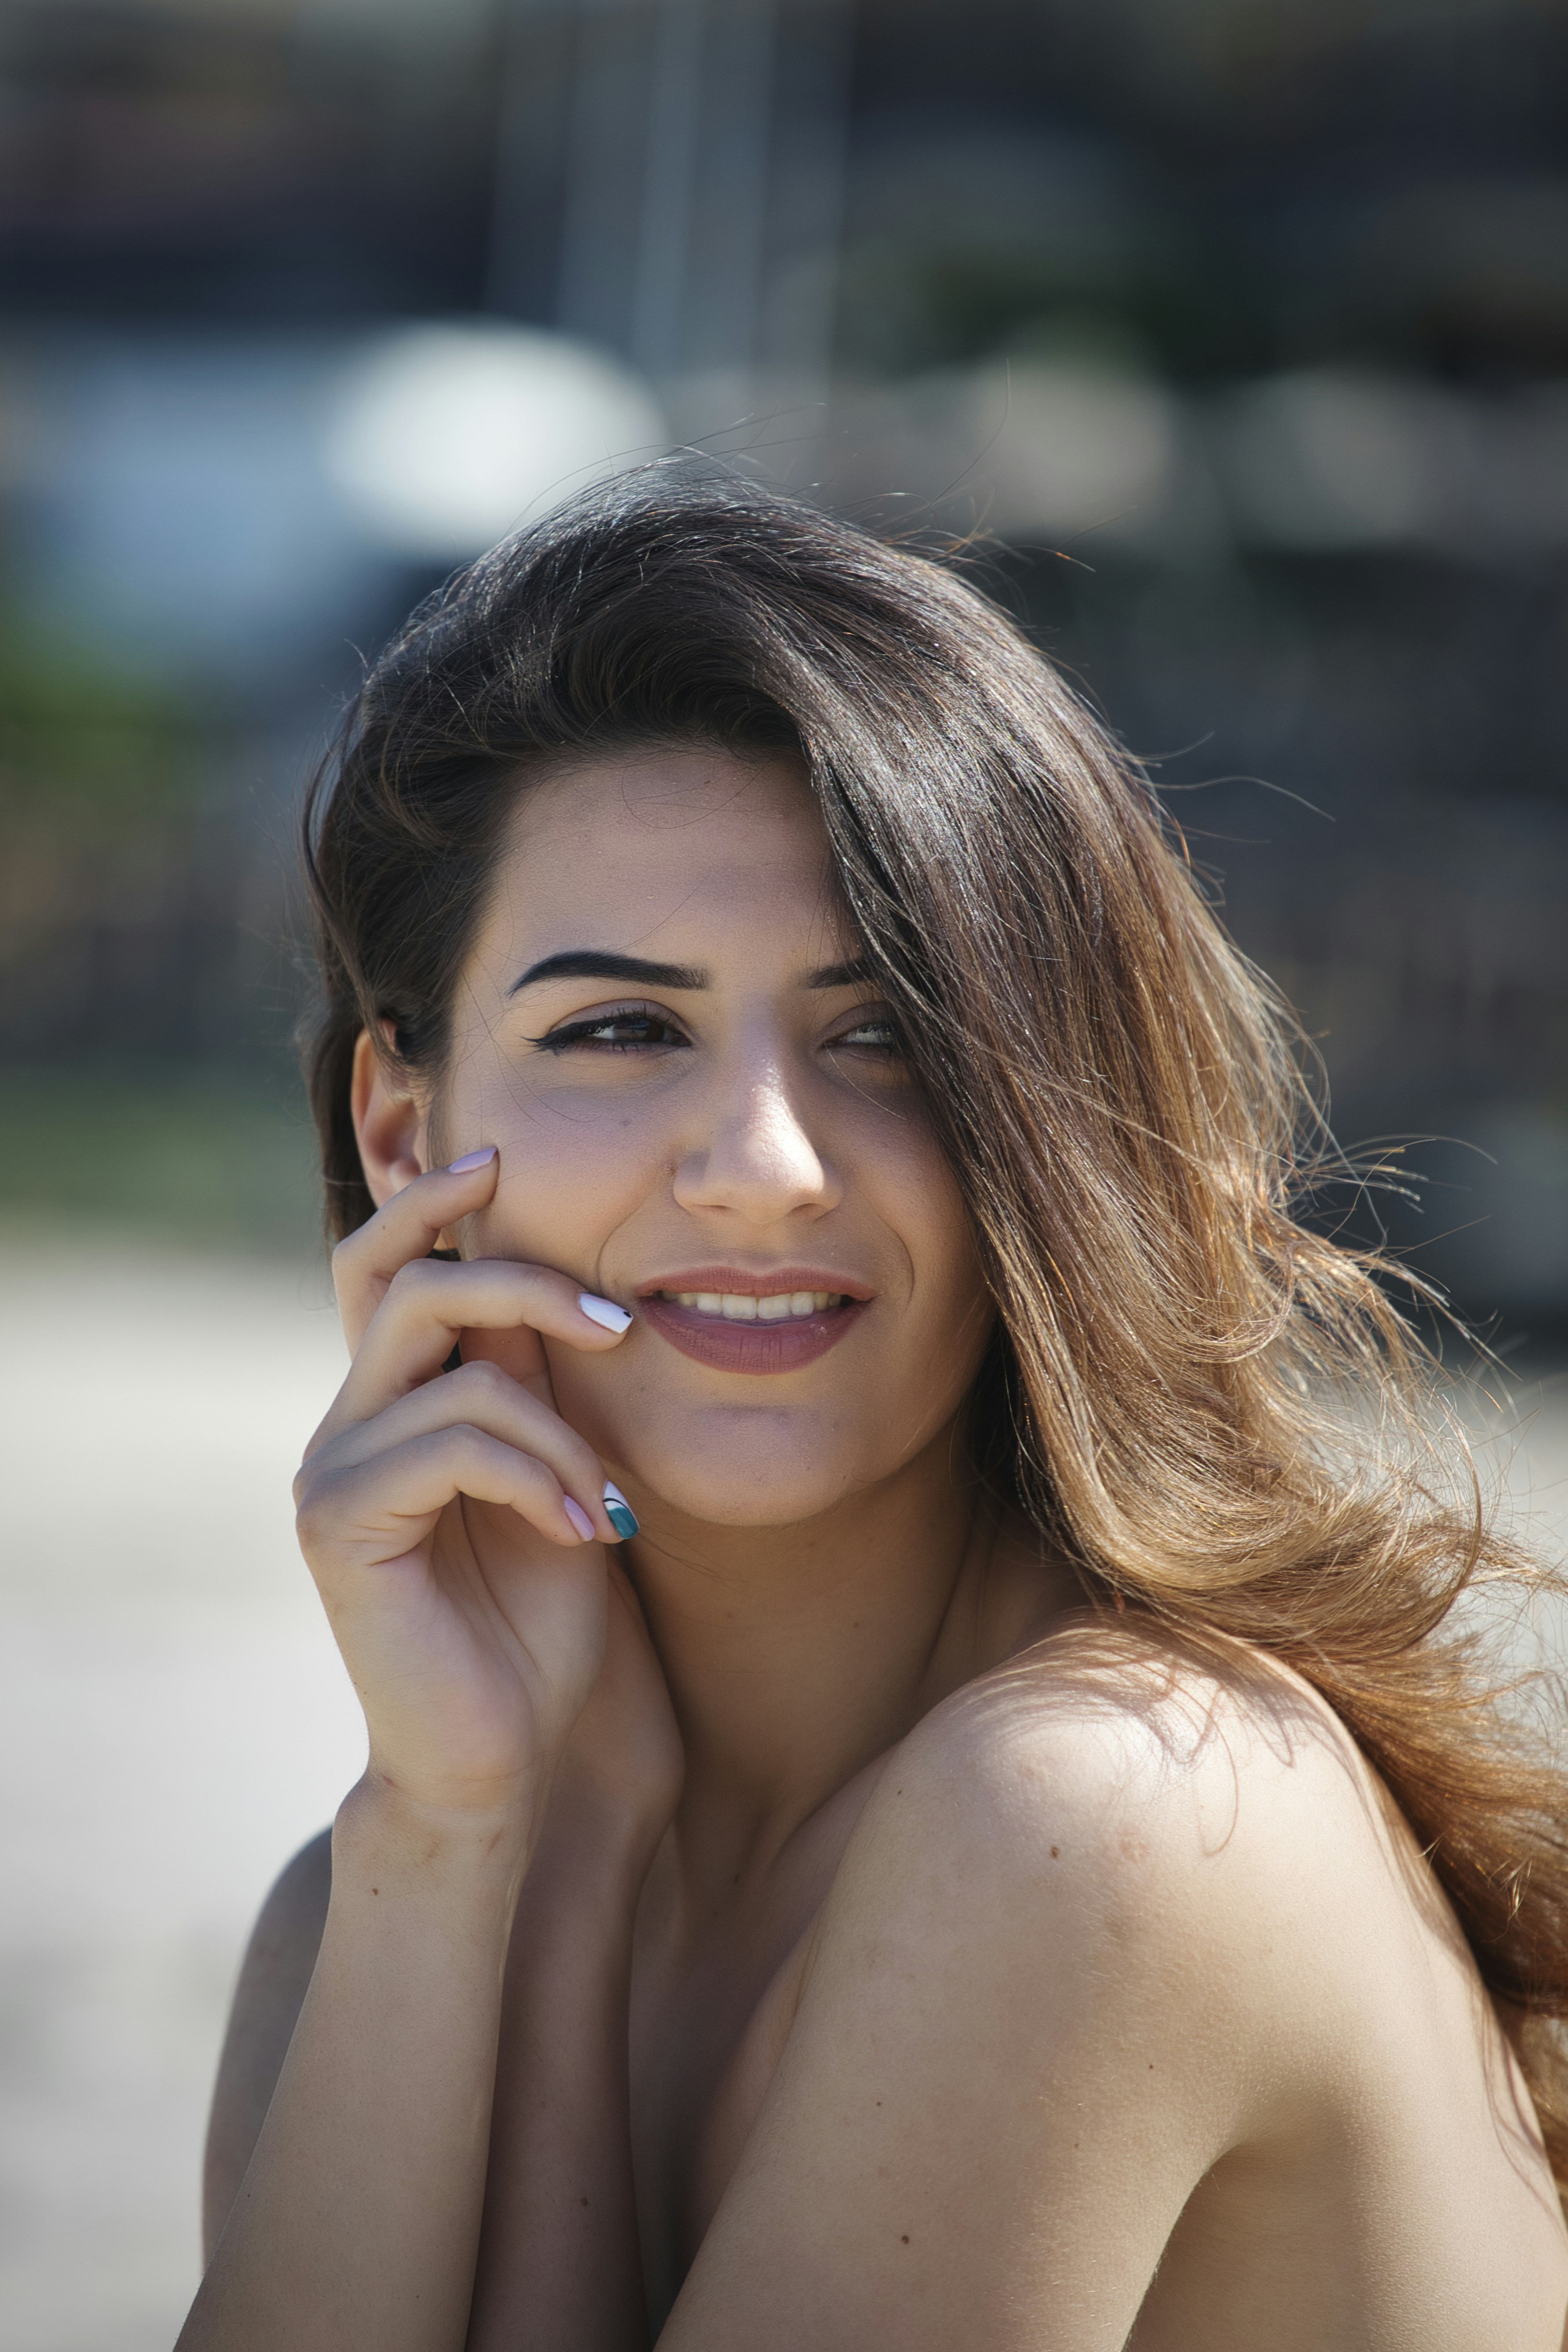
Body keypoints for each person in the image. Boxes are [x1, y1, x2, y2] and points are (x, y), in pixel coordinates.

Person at [179, 477, 1568, 2351]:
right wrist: (503, 1839)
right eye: (619, 1029)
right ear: (405, 1131)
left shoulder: (1109, 1812)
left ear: (1044, 1120)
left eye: (887, 1033)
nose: (761, 1168)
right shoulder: (384, 1893)